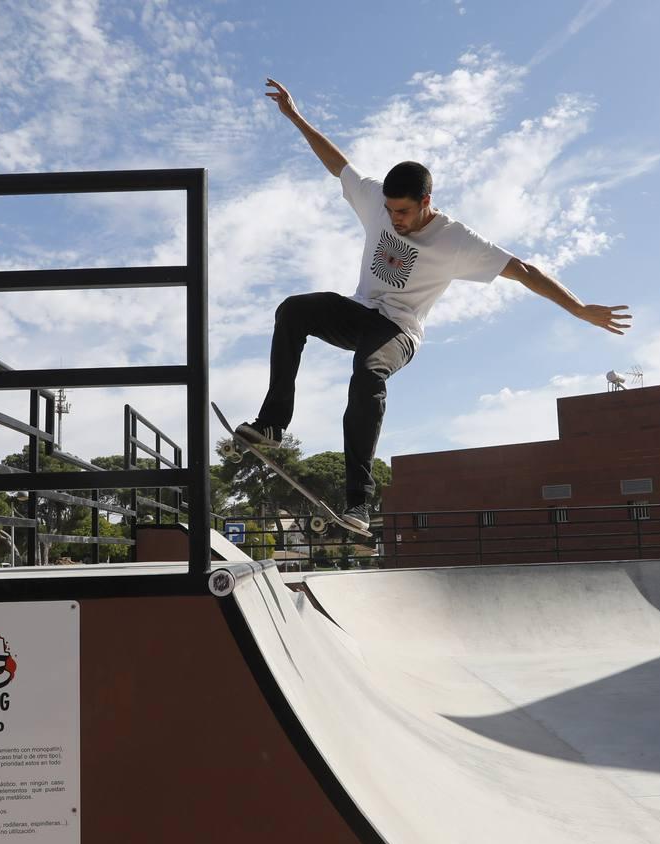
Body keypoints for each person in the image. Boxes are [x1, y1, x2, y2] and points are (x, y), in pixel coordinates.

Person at [237, 78, 631, 531]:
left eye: (403, 212)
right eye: (389, 210)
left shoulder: (457, 240)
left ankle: (358, 502)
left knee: (367, 376)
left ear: (427, 202)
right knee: (293, 310)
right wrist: (294, 116)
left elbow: (522, 270)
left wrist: (577, 308)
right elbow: (339, 165)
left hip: (399, 330)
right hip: (359, 311)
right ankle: (271, 425)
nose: (394, 219)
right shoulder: (378, 203)